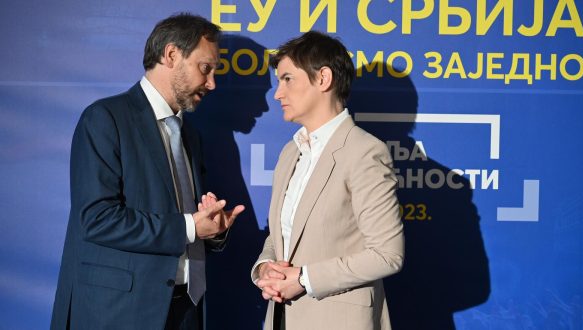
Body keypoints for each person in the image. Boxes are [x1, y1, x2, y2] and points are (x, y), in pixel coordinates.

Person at [51, 13, 244, 329]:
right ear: (171, 55)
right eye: (205, 68)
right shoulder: (105, 118)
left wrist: (211, 230)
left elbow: (178, 216)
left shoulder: (190, 135)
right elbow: (97, 219)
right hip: (121, 313)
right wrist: (190, 228)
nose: (212, 83)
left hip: (186, 310)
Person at [251, 31, 405, 330]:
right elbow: (282, 235)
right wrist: (265, 269)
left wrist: (304, 279)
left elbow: (387, 255)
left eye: (287, 79)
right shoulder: (289, 152)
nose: (277, 93)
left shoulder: (364, 152)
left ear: (323, 79)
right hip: (282, 318)